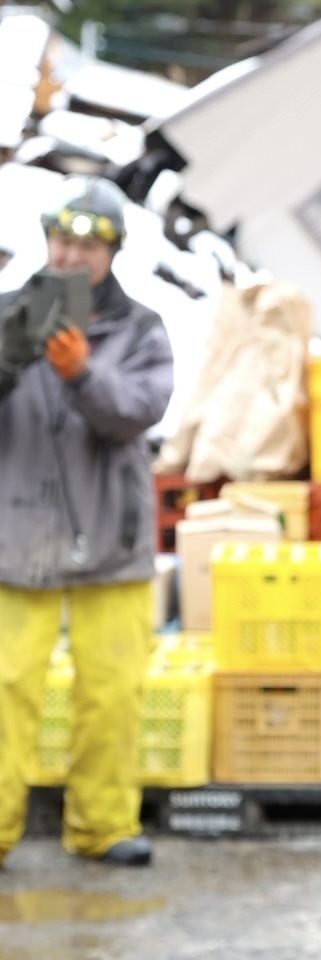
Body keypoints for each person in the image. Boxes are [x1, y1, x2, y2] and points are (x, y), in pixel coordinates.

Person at [0, 174, 174, 867]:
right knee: (5, 691)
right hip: (19, 538)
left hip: (113, 539)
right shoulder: (10, 312)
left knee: (112, 693)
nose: (70, 255)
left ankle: (101, 826)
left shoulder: (141, 328)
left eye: (86, 244)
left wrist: (82, 374)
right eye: (60, 238)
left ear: (112, 253)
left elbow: (139, 408)